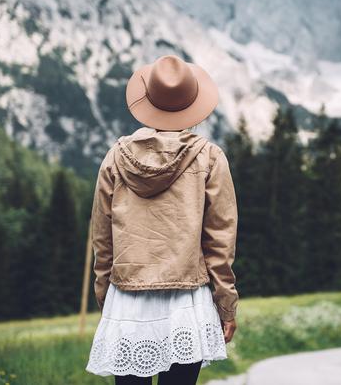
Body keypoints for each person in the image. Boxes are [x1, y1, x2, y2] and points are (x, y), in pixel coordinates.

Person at [85, 54, 239, 385]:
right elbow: (220, 241)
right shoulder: (210, 157)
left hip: (127, 299)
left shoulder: (115, 157)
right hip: (187, 301)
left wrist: (104, 295)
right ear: (192, 104)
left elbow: (102, 238)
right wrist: (226, 304)